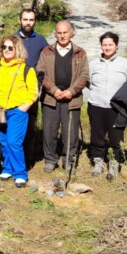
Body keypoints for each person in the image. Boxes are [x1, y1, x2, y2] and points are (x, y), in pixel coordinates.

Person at [36, 21, 89, 173]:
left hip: (72, 99)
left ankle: (68, 160)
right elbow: (40, 73)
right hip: (51, 98)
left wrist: (71, 91)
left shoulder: (80, 52)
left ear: (72, 33)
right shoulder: (47, 51)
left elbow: (84, 75)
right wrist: (53, 89)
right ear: (55, 33)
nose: (62, 35)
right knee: (49, 131)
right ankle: (50, 160)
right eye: (59, 32)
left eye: (65, 32)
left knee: (70, 132)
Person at [87, 32, 127, 180]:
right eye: (104, 44)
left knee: (115, 138)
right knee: (96, 136)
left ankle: (113, 163)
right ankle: (97, 162)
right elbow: (88, 82)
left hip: (116, 108)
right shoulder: (93, 64)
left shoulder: (124, 63)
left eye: (110, 44)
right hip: (96, 105)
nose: (107, 47)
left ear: (116, 45)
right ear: (101, 46)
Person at [0, 35, 38, 188]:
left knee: (14, 142)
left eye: (10, 47)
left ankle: (20, 173)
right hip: (0, 110)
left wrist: (24, 107)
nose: (7, 50)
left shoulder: (26, 69)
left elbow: (34, 91)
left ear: (17, 49)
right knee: (3, 141)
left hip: (17, 110)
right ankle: (8, 169)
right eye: (4, 47)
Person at [17, 8, 48, 168]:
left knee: (30, 123)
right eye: (25, 19)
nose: (28, 23)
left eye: (31, 20)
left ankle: (27, 156)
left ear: (35, 21)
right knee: (14, 123)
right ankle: (12, 154)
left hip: (32, 91)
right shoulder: (12, 40)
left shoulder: (41, 41)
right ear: (19, 20)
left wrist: (41, 84)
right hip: (14, 90)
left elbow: (47, 64)